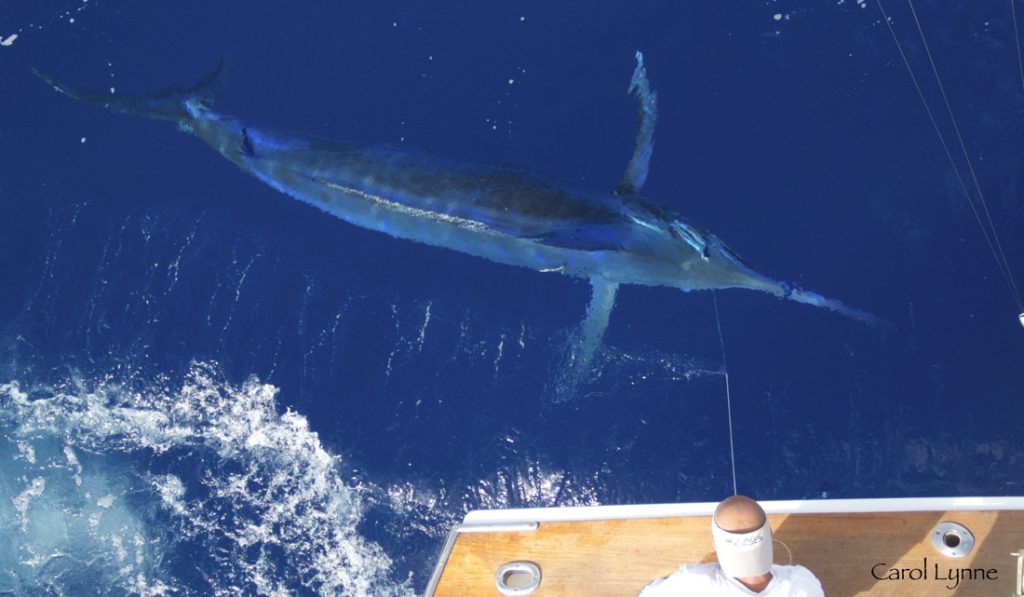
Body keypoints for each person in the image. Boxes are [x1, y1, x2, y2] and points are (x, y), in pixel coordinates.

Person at [638, 495, 824, 596]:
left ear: (715, 543)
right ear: (769, 534)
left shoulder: (694, 582)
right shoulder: (803, 582)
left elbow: (646, 593)